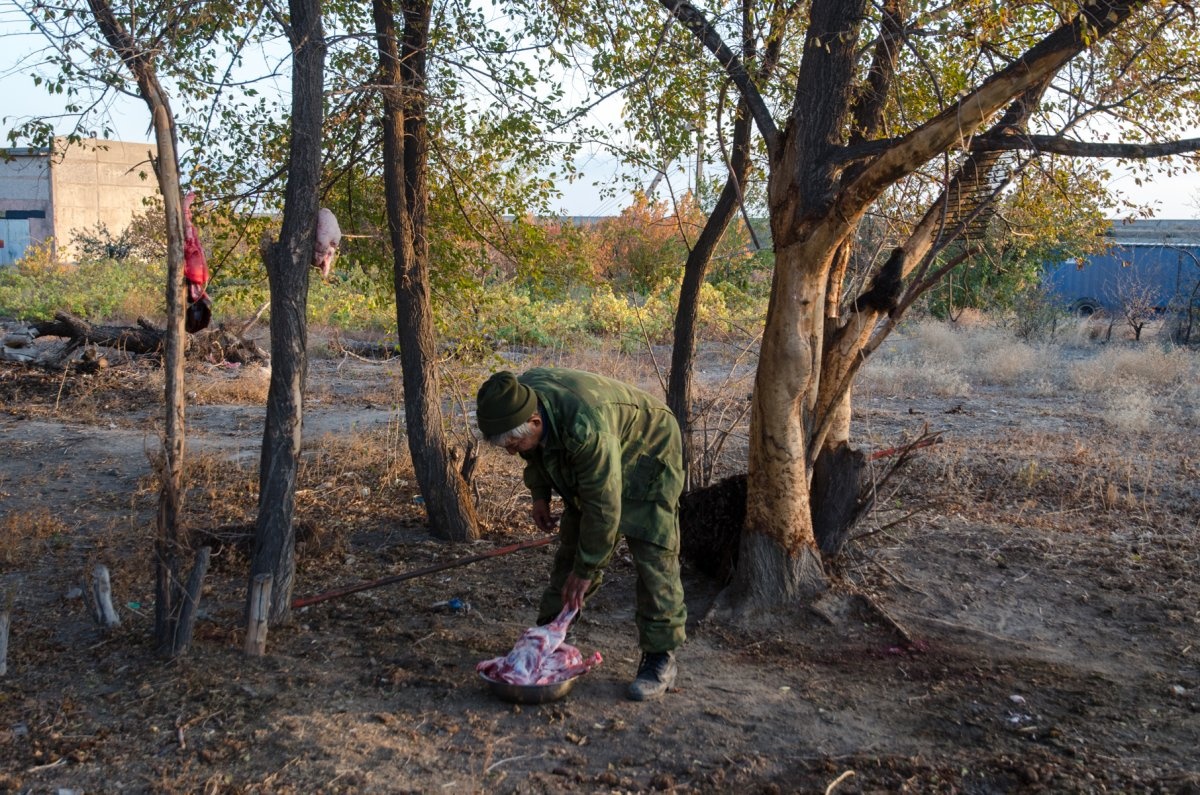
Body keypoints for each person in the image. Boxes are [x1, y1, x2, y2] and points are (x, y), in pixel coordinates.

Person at [475, 368, 687, 701]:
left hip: (650, 448)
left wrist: (588, 569)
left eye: (514, 443)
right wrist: (540, 495)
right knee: (571, 551)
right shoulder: (520, 401)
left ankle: (661, 657)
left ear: (534, 421)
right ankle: (545, 638)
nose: (512, 452)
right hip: (598, 455)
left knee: (653, 556)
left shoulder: (585, 429)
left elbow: (604, 509)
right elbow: (534, 455)